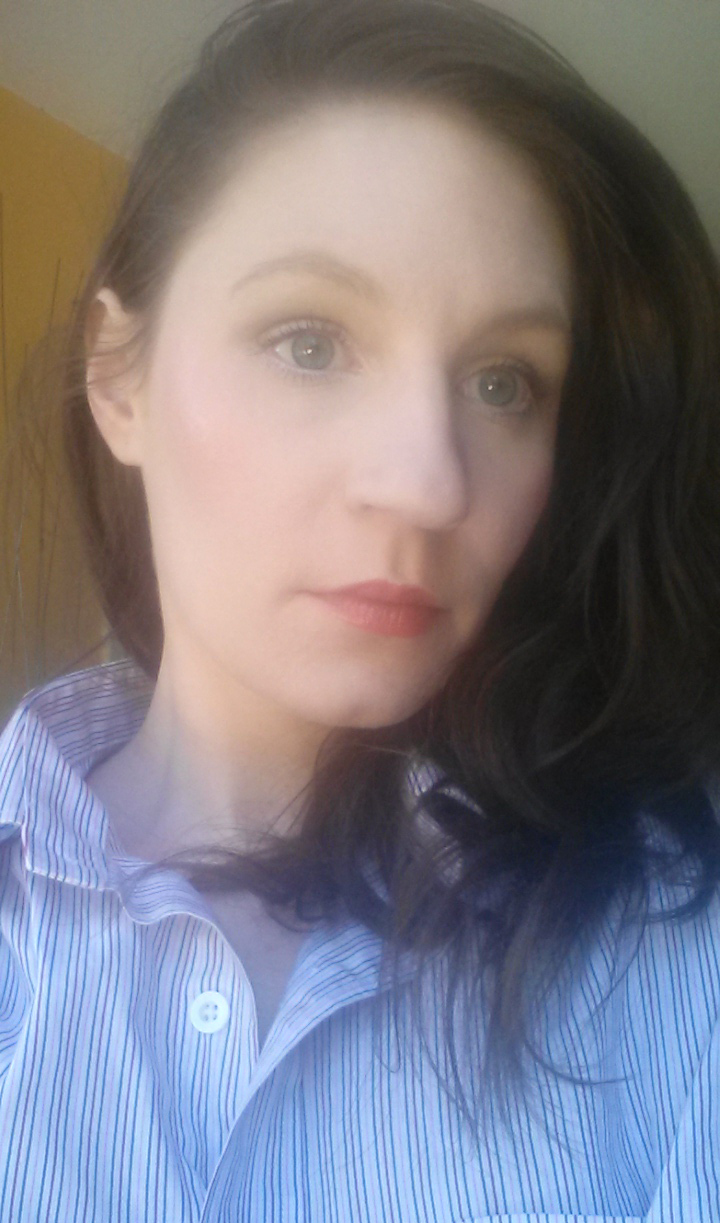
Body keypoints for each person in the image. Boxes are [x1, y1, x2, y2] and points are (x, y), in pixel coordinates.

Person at [1, 0, 719, 1217]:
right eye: (310, 342)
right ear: (119, 379)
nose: (432, 482)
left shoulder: (669, 943)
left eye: (505, 381)